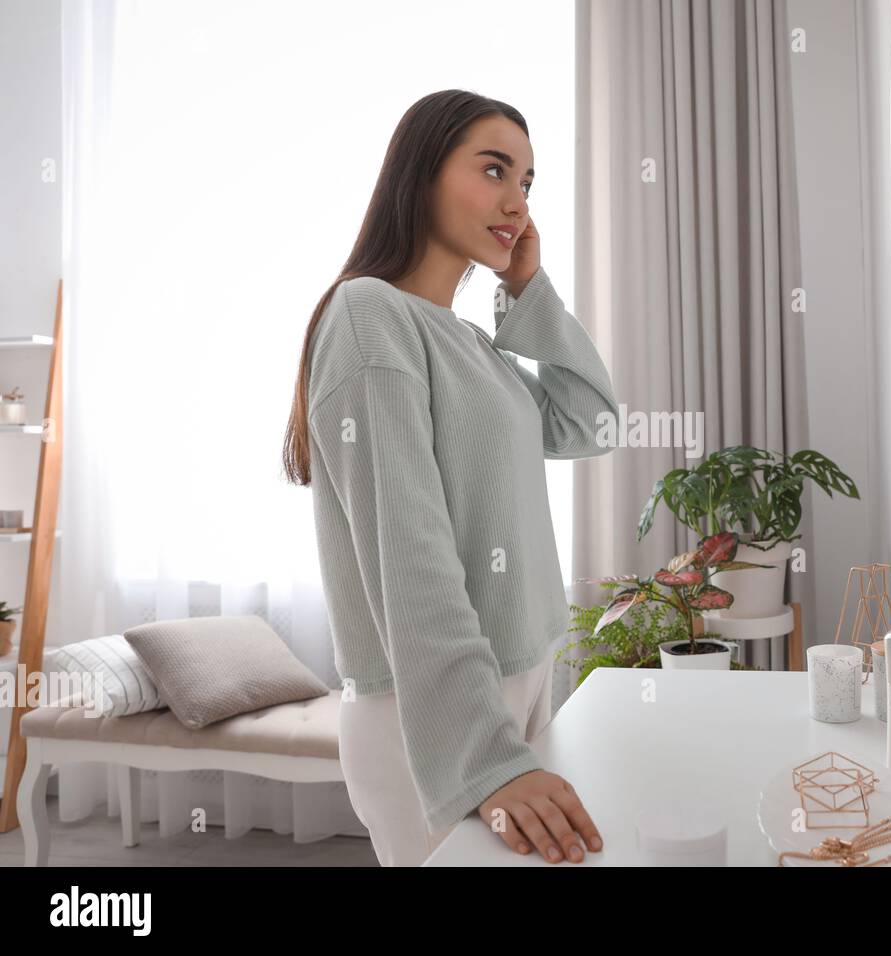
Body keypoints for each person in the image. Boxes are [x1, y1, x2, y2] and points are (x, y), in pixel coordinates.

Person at [281, 90, 615, 866]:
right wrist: (484, 756)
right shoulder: (368, 314)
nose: (517, 202)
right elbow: (410, 553)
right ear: (421, 174)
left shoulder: (468, 340)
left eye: (528, 182)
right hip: (433, 714)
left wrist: (529, 292)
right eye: (494, 169)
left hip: (521, 683)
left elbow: (591, 421)